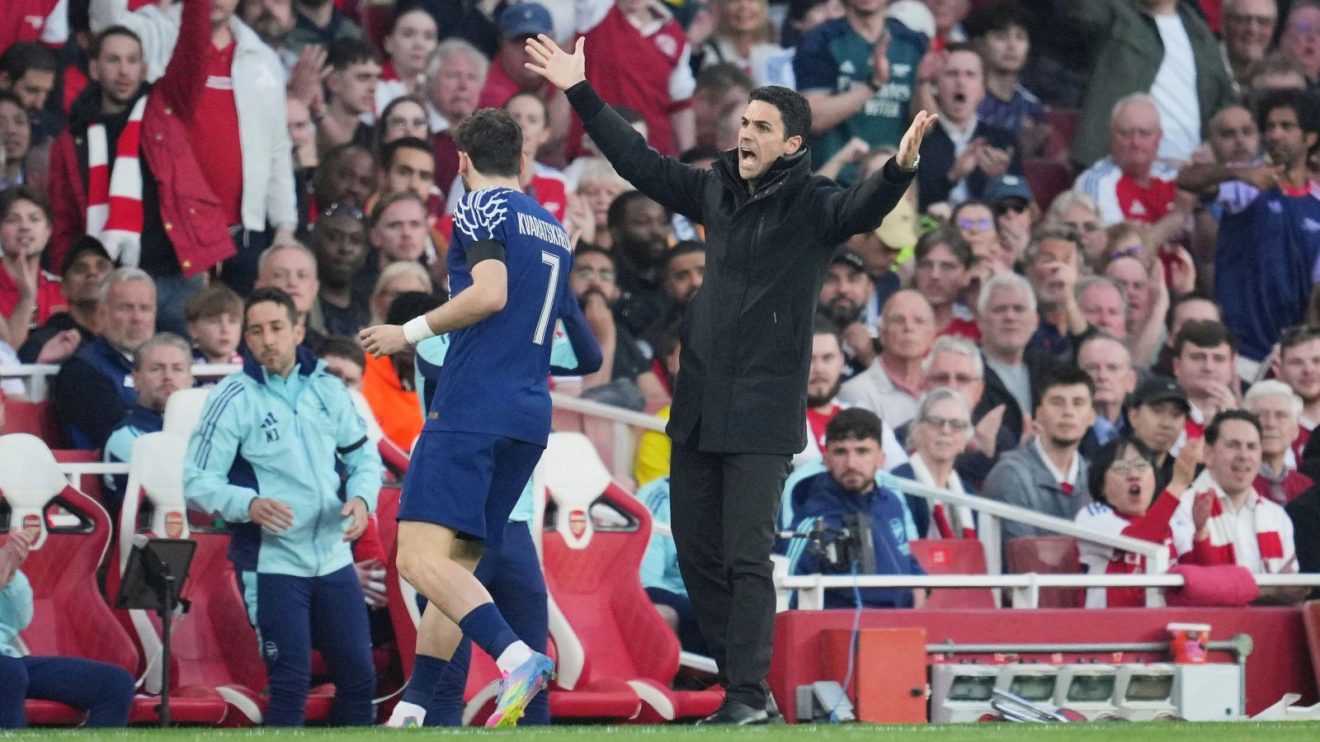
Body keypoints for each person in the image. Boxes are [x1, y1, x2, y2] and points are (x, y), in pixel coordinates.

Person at [526, 31, 936, 724]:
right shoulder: (714, 189)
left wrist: (898, 169)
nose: (745, 133)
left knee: (747, 558)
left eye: (761, 127)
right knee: (695, 556)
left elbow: (859, 210)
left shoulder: (812, 202)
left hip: (763, 411)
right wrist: (579, 89)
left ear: (793, 144)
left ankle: (744, 695)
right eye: (744, 122)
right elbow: (639, 162)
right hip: (697, 403)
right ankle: (751, 689)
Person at [358, 108, 597, 728]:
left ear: (462, 162)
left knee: (417, 560)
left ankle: (517, 658)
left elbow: (489, 293)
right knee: (455, 568)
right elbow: (583, 347)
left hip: (471, 408)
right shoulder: (551, 228)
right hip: (528, 416)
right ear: (522, 161)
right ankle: (414, 707)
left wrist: (408, 330)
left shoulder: (480, 206)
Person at [184, 287, 382, 726]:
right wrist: (248, 503)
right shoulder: (231, 398)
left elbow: (364, 458)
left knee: (359, 679)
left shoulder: (329, 387)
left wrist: (362, 498)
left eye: (276, 328)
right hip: (271, 563)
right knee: (290, 683)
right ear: (246, 340)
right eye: (256, 331)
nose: (267, 340)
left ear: (297, 330)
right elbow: (196, 482)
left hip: (334, 557)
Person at [1185, 89, 1320, 367]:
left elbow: (1315, 295)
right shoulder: (1249, 184)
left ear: (1310, 138)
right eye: (1269, 127)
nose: (1275, 134)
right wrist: (1237, 172)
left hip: (1290, 358)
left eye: (1286, 126)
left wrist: (1306, 348)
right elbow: (1187, 180)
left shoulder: (1317, 204)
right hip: (1239, 351)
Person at [1062, 0, 1234, 167]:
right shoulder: (1113, 12)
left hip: (1190, 171)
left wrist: (1213, 148)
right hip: (1120, 166)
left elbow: (1225, 105)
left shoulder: (1200, 32)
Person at [787, 408, 926, 609]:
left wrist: (920, 587)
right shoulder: (813, 523)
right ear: (826, 460)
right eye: (841, 452)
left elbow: (903, 558)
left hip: (904, 625)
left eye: (862, 451)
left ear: (881, 459)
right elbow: (786, 595)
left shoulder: (891, 501)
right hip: (844, 627)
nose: (851, 463)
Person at [0, 530, 136, 729]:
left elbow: (17, 620)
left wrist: (9, 574)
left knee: (115, 683)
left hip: (10, 660)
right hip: (8, 669)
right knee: (9, 673)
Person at [1171, 411, 1302, 601]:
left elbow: (1290, 589)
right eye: (1233, 445)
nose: (1244, 455)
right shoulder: (1182, 508)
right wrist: (1268, 591)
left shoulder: (1277, 516)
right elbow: (1197, 584)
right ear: (1208, 454)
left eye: (1252, 447)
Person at [795, 0, 927, 168]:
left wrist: (923, 84)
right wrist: (872, 84)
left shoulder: (913, 42)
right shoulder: (820, 40)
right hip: (836, 177)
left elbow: (926, 126)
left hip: (895, 174)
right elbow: (813, 119)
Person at [1074, 436, 1202, 608]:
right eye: (1121, 467)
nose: (1134, 475)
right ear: (1101, 485)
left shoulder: (1171, 520)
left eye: (1141, 466)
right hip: (1110, 621)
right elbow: (1135, 541)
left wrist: (1201, 532)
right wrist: (1177, 486)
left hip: (1165, 619)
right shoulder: (1092, 515)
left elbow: (1196, 570)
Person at [981, 367, 1095, 541]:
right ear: (1039, 414)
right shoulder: (1010, 475)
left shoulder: (1095, 476)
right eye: (1057, 402)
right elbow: (1021, 554)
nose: (1068, 412)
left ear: (1092, 416)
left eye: (1078, 403)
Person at [52, 268, 156, 449]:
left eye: (145, 308)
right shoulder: (81, 372)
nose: (137, 318)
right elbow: (120, 437)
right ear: (101, 314)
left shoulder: (167, 366)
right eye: (125, 308)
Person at [915, 43, 1019, 211]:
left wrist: (999, 180)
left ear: (982, 90)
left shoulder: (1002, 141)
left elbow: (1020, 209)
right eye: (951, 74)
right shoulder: (919, 141)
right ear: (935, 86)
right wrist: (952, 177)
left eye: (970, 74)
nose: (961, 82)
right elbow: (912, 205)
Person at [102, 333, 194, 514]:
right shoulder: (124, 437)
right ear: (135, 379)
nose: (168, 377)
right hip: (148, 530)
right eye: (156, 369)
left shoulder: (207, 431)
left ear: (190, 378)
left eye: (177, 369)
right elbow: (174, 489)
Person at [1072, 94, 1182, 228]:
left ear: (1159, 136)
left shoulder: (1175, 176)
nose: (1135, 142)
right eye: (1125, 134)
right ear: (1111, 134)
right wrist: (1178, 216)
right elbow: (1115, 242)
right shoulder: (1096, 182)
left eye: (1145, 133)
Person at [975, 271, 1054, 444]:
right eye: (999, 309)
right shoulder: (966, 373)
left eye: (1019, 309)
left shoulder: (1051, 371)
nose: (1010, 317)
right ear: (980, 321)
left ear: (1035, 321)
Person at [839, 289, 935, 429]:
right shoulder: (856, 393)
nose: (908, 327)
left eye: (919, 321)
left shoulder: (942, 384)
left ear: (932, 334)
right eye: (898, 320)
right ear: (882, 333)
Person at [892, 387, 977, 539]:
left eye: (956, 424)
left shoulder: (968, 494)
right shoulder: (897, 484)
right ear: (917, 430)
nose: (945, 430)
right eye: (936, 422)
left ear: (966, 439)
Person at [16, 236, 111, 364]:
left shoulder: (128, 338)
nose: (92, 272)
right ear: (63, 289)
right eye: (80, 268)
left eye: (102, 266)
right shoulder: (42, 344)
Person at [0, 188, 64, 350]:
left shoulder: (63, 290)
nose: (25, 227)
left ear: (48, 231)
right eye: (13, 220)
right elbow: (9, 355)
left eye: (34, 219)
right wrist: (26, 298)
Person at [1244, 380, 1313, 506]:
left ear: (1295, 431)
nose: (1271, 423)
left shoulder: (1307, 488)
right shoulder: (1234, 482)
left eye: (1281, 415)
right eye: (1260, 415)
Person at [1171, 320, 1240, 441]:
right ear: (1177, 366)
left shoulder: (1251, 422)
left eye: (1218, 359)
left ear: (1232, 367)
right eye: (1197, 357)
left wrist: (1232, 420)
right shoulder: (1156, 413)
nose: (1208, 367)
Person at [911, 226, 978, 341]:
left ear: (966, 275)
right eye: (926, 265)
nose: (934, 275)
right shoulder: (891, 324)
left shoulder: (977, 329)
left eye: (947, 267)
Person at [1077, 333, 1136, 452]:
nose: (1102, 376)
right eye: (1092, 367)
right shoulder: (1065, 432)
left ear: (1130, 381)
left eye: (1112, 368)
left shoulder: (1143, 432)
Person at [1222, 0, 1279, 93]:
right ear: (1224, 23)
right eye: (1243, 19)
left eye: (1263, 21)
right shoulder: (1205, 68)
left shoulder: (1280, 79)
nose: (1253, 29)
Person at [183, 284, 242, 365]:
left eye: (232, 321)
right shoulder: (184, 365)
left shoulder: (249, 368)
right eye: (214, 321)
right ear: (193, 329)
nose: (225, 329)